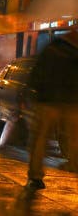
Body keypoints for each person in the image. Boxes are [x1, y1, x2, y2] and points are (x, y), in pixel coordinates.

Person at [26, 28, 78, 190]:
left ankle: (35, 176)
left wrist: (31, 94)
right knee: (75, 139)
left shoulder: (50, 49)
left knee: (41, 138)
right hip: (70, 102)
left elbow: (36, 73)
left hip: (47, 101)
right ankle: (75, 167)